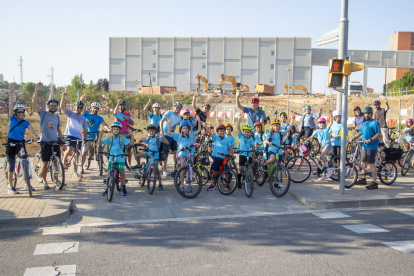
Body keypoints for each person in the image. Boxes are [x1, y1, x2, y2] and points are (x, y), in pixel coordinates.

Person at [6, 84, 39, 194]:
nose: (21, 113)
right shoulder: (12, 119)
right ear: (15, 113)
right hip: (11, 142)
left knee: (26, 161)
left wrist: (35, 136)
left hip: (20, 143)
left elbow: (32, 130)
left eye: (22, 112)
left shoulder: (26, 122)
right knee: (11, 165)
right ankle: (11, 187)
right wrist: (11, 93)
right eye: (18, 112)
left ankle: (27, 184)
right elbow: (10, 106)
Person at [32, 82, 64, 189]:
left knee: (56, 162)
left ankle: (56, 179)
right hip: (45, 142)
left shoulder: (57, 117)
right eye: (52, 105)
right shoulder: (43, 113)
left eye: (55, 106)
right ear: (48, 106)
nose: (53, 107)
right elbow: (34, 103)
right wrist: (36, 91)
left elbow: (59, 130)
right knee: (45, 163)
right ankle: (45, 181)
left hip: (54, 142)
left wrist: (62, 138)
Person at [350, 106, 382, 190]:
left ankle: (375, 182)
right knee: (362, 162)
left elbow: (379, 134)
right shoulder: (364, 123)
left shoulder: (375, 123)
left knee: (371, 164)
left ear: (371, 114)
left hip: (371, 146)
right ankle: (363, 178)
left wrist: (370, 140)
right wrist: (353, 138)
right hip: (364, 146)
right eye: (366, 113)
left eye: (368, 113)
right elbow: (360, 133)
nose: (367, 115)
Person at [98, 122, 134, 196]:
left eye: (117, 129)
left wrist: (132, 135)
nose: (116, 131)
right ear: (112, 130)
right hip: (112, 158)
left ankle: (124, 188)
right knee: (109, 173)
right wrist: (100, 136)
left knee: (122, 173)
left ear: (120, 130)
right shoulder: (110, 138)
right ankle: (107, 188)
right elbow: (99, 143)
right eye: (114, 129)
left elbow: (130, 144)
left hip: (120, 158)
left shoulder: (122, 138)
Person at [168, 118, 201, 193]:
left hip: (190, 153)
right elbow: (169, 132)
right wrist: (169, 123)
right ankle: (182, 185)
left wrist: (198, 121)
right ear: (181, 129)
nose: (185, 130)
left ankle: (189, 185)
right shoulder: (178, 135)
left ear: (189, 129)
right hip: (182, 153)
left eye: (186, 128)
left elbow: (198, 130)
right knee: (182, 170)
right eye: (183, 128)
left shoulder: (191, 135)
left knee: (190, 169)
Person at [60, 91, 88, 175]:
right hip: (69, 135)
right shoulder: (70, 113)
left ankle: (75, 172)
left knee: (77, 155)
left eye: (81, 107)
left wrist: (85, 139)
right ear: (74, 107)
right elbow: (62, 107)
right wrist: (63, 96)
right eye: (78, 107)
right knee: (70, 149)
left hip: (78, 137)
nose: (79, 109)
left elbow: (85, 130)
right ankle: (63, 161)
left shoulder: (83, 119)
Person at [136, 124, 169, 191]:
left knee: (157, 171)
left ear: (155, 131)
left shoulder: (158, 139)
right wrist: (140, 139)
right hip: (149, 153)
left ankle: (160, 183)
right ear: (148, 132)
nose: (151, 132)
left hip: (155, 156)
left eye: (153, 131)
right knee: (137, 156)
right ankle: (139, 165)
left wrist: (163, 137)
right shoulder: (148, 139)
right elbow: (140, 142)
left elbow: (167, 142)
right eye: (150, 131)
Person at [80, 99, 110, 167]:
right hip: (87, 136)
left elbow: (104, 124)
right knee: (84, 152)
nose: (95, 110)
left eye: (97, 108)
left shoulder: (99, 117)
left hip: (96, 136)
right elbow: (81, 108)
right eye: (94, 108)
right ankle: (80, 167)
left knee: (98, 151)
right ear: (91, 108)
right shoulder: (86, 114)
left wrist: (108, 128)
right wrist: (81, 99)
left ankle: (100, 167)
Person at [205, 124, 234, 191]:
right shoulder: (216, 138)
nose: (222, 132)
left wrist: (231, 155)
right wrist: (205, 126)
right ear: (218, 132)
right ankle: (212, 184)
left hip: (225, 157)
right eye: (220, 131)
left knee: (226, 171)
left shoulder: (227, 140)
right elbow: (209, 132)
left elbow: (230, 148)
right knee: (215, 171)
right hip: (217, 156)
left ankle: (227, 184)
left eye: (223, 131)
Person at [159, 102, 183, 176]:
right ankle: (164, 170)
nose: (177, 108)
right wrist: (162, 131)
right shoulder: (169, 113)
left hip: (173, 136)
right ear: (174, 107)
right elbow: (162, 121)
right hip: (166, 135)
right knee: (166, 152)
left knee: (176, 152)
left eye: (179, 107)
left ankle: (175, 168)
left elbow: (182, 127)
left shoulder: (179, 118)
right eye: (176, 107)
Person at [113, 99, 135, 167]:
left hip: (127, 133)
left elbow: (132, 123)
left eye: (124, 105)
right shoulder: (117, 113)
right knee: (118, 149)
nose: (122, 106)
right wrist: (117, 103)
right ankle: (118, 163)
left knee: (129, 149)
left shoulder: (128, 113)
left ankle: (129, 164)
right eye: (121, 105)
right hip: (119, 134)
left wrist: (129, 118)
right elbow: (115, 112)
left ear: (126, 106)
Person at [236, 118, 255, 188]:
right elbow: (238, 127)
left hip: (248, 154)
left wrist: (253, 154)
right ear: (243, 131)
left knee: (250, 169)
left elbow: (253, 147)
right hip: (242, 154)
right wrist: (239, 119)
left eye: (248, 132)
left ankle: (249, 180)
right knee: (240, 169)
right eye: (245, 132)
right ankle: (239, 181)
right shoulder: (240, 136)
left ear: (250, 133)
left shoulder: (251, 138)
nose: (246, 133)